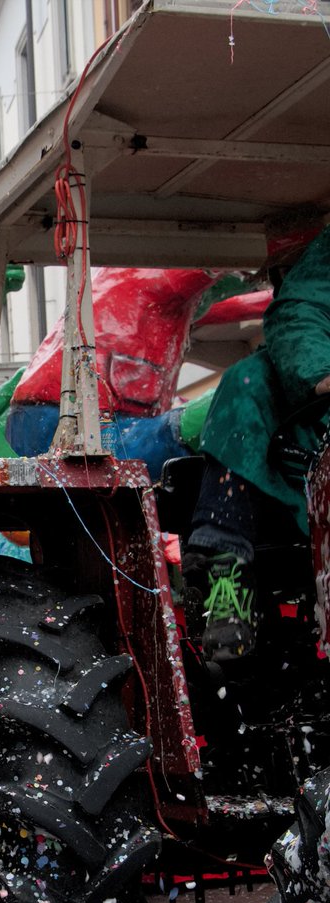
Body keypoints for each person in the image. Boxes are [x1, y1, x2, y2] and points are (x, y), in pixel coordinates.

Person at [182, 213, 330, 663]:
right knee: (246, 382)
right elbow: (300, 312)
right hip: (308, 439)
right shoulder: (311, 295)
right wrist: (320, 376)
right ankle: (227, 573)